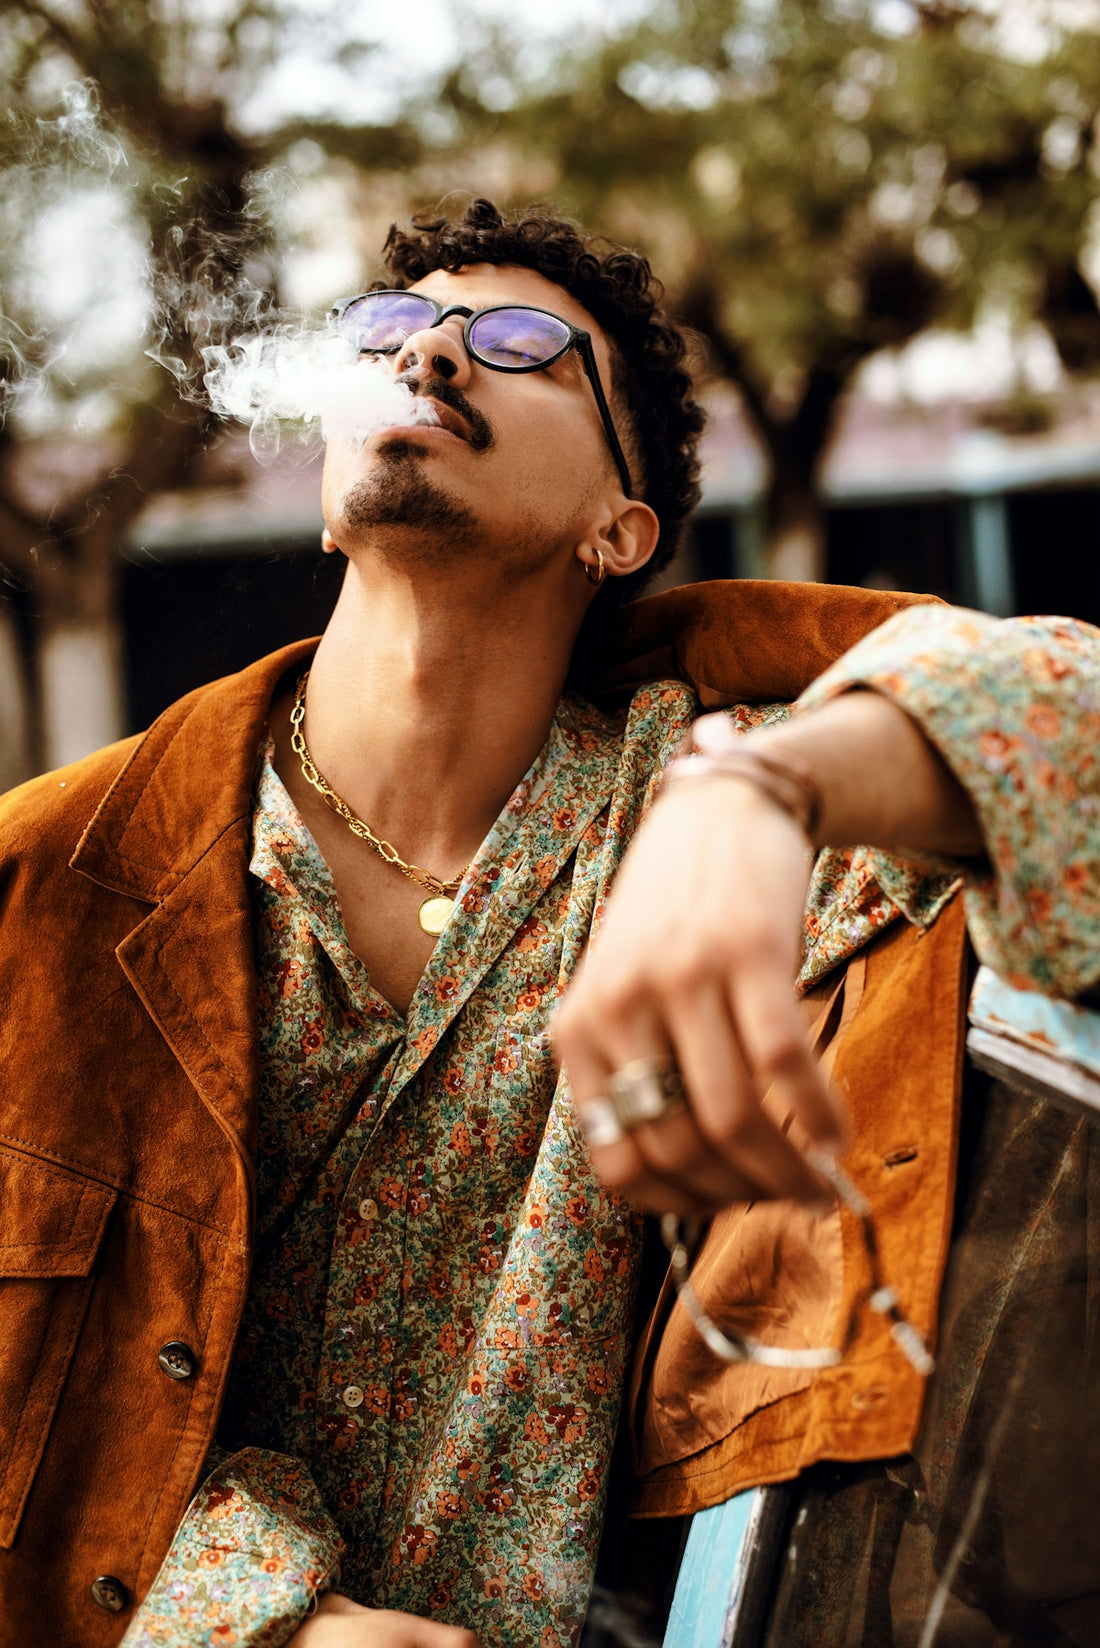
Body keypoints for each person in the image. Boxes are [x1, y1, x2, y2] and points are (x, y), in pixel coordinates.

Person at [0, 196, 1097, 1648]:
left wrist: (760, 798)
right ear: (327, 496)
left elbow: (1071, 715)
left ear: (617, 529)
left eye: (523, 345)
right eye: (391, 333)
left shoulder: (687, 799)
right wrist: (263, 1618)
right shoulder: (47, 881)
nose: (432, 355)